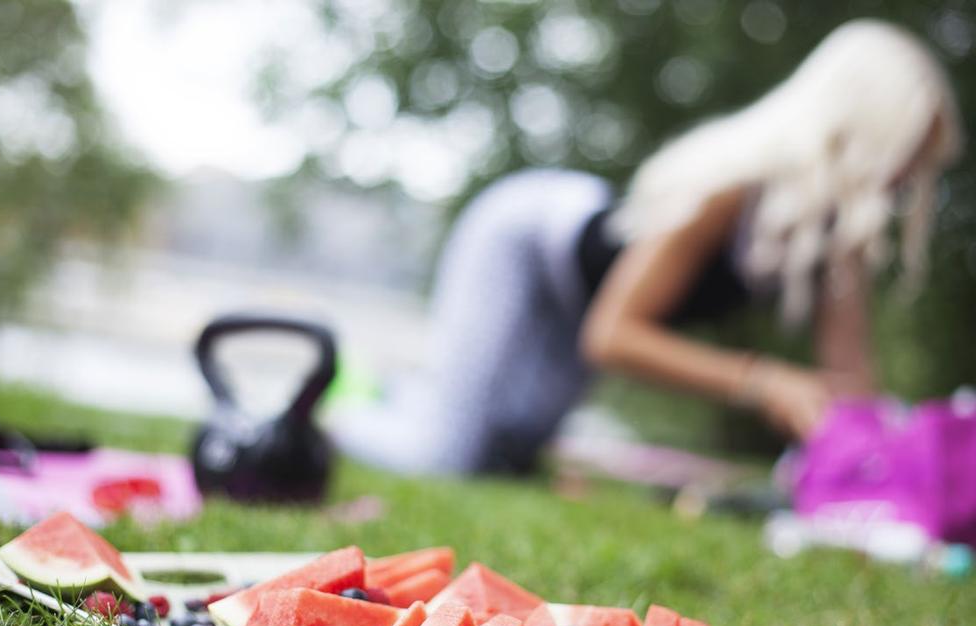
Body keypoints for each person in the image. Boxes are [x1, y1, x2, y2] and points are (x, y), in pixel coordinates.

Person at [331, 19, 964, 476]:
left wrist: (896, 465)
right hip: (523, 239)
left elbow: (851, 379)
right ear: (865, 125)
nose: (908, 179)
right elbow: (612, 338)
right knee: (448, 457)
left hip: (578, 295)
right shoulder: (731, 188)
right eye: (906, 153)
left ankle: (406, 397)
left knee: (511, 453)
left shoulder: (832, 240)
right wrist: (763, 382)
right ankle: (339, 408)